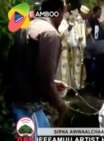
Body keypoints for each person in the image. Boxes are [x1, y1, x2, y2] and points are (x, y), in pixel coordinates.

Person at [4, 0, 68, 138]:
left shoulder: (27, 26)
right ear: (59, 11)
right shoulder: (50, 34)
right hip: (28, 107)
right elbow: (45, 81)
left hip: (16, 101)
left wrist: (53, 82)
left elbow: (25, 67)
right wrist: (61, 105)